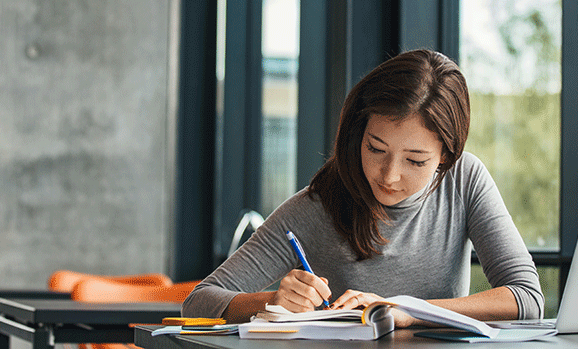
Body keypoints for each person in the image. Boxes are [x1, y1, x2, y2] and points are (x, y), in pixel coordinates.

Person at [182, 49, 543, 327]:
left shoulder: (464, 180)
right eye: (375, 149)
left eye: (415, 161)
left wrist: (406, 309)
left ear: (446, 157)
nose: (389, 175)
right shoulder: (319, 205)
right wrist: (272, 300)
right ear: (358, 134)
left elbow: (526, 298)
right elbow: (199, 301)